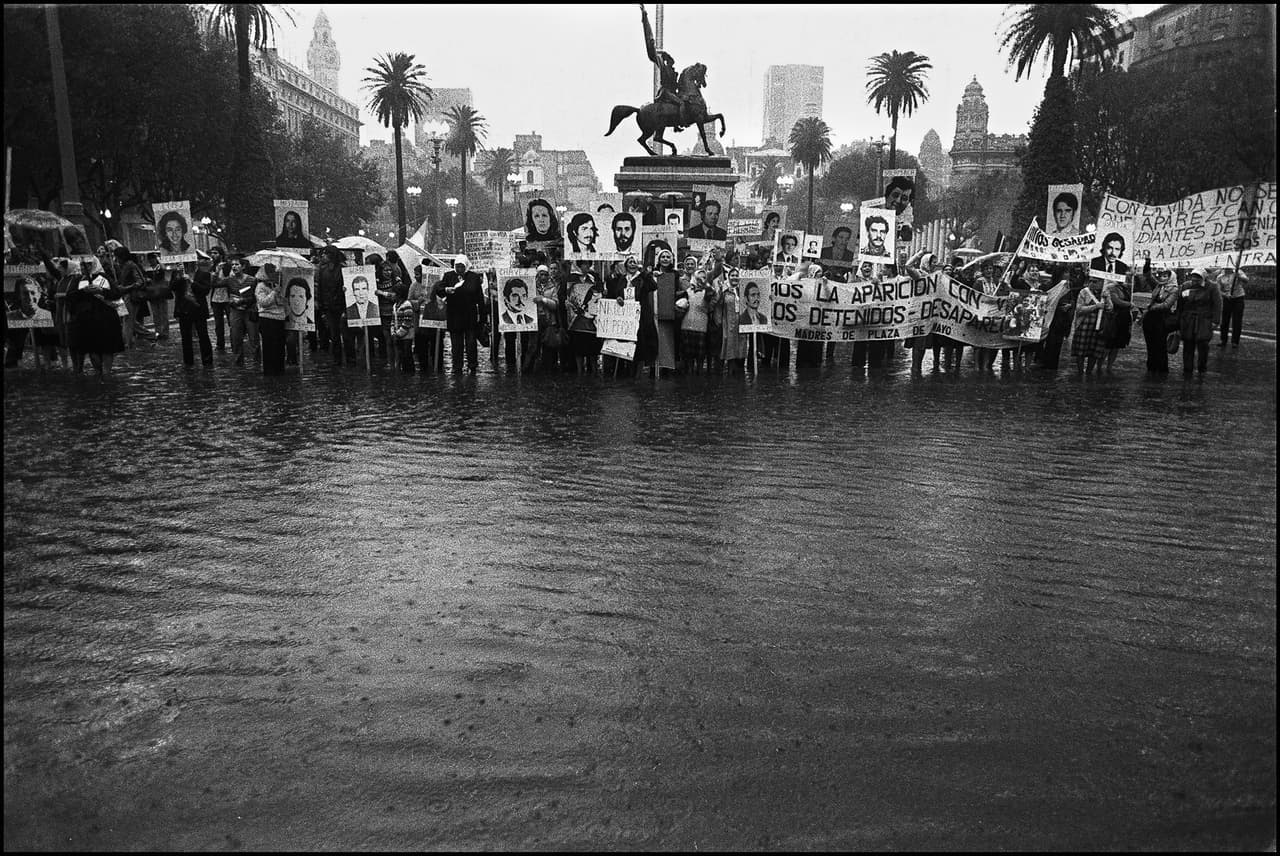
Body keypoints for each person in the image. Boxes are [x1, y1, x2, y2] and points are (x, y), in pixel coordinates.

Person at [64, 257, 124, 377]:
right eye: (82, 265)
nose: (85, 267)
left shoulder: (104, 277)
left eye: (88, 264)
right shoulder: (78, 280)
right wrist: (83, 291)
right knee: (92, 349)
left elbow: (116, 293)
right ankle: (98, 371)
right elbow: (70, 297)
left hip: (106, 319)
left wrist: (101, 290)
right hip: (87, 320)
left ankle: (107, 372)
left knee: (107, 348)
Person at [438, 254, 486, 374]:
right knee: (456, 343)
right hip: (454, 314)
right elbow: (439, 290)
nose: (459, 269)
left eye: (462, 267)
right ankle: (457, 366)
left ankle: (472, 365)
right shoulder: (449, 276)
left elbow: (479, 298)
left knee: (471, 343)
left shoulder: (473, 277)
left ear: (466, 266)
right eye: (457, 267)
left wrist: (483, 317)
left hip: (470, 315)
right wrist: (446, 290)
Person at [641, 3, 685, 124]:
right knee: (681, 104)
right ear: (667, 61)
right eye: (670, 60)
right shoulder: (663, 66)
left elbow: (677, 86)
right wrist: (645, 18)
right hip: (666, 93)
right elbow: (651, 48)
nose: (672, 62)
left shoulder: (673, 71)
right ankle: (679, 124)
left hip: (672, 92)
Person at [1136, 257, 1179, 374]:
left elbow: (1166, 305)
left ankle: (1162, 368)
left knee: (1160, 345)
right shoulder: (1158, 286)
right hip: (1150, 319)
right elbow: (1148, 276)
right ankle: (1151, 366)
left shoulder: (1174, 289)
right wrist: (1147, 263)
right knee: (1150, 344)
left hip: (1162, 319)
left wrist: (1151, 307)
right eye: (1162, 275)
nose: (1162, 278)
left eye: (1166, 276)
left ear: (1171, 277)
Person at [1177, 267, 1222, 376]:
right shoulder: (1186, 286)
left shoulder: (1212, 287)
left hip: (1204, 320)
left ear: (1203, 278)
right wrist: (1179, 320)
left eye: (1198, 279)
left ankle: (1202, 367)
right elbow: (1180, 304)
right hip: (1188, 320)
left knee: (1203, 344)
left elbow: (1217, 304)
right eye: (1193, 278)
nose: (1195, 281)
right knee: (1188, 344)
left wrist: (1215, 321)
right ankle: (1187, 369)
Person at [172, 261, 213, 368]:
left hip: (198, 309)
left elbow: (205, 290)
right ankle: (188, 362)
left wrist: (191, 281)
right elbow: (172, 287)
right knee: (185, 337)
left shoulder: (204, 274)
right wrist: (180, 276)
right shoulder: (176, 274)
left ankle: (207, 361)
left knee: (203, 335)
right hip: (183, 309)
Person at [254, 263, 286, 375]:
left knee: (280, 345)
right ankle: (269, 370)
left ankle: (279, 368)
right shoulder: (260, 287)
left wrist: (279, 293)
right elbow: (264, 303)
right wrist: (274, 292)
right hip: (267, 318)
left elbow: (282, 302)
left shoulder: (277, 285)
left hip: (280, 318)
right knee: (269, 345)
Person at [227, 257, 259, 366]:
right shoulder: (229, 280)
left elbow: (256, 297)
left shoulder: (252, 280)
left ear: (243, 266)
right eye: (232, 265)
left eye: (236, 264)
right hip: (236, 311)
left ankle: (257, 361)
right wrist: (216, 272)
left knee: (253, 337)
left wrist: (243, 300)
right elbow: (215, 284)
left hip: (249, 311)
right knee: (235, 336)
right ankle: (238, 361)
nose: (234, 267)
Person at [1071, 277, 1106, 375]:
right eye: (1090, 281)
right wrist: (1095, 306)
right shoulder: (1084, 292)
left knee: (1094, 351)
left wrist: (1107, 299)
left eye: (1095, 282)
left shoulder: (1105, 294)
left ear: (1101, 283)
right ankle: (1080, 372)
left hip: (1099, 326)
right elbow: (1079, 309)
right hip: (1084, 325)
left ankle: (1089, 372)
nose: (1091, 283)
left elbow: (1110, 309)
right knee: (1080, 351)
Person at [1099, 276, 1133, 372]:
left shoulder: (1125, 288)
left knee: (1117, 345)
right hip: (1115, 318)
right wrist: (1128, 304)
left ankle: (1109, 366)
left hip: (1124, 318)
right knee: (1109, 344)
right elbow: (1116, 301)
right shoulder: (1111, 287)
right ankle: (1100, 366)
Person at [1214, 265, 1248, 348]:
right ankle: (1223, 340)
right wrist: (1225, 294)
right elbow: (1218, 290)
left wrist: (1238, 275)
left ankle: (1235, 341)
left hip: (1238, 298)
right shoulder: (1220, 277)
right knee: (1225, 320)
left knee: (1237, 320)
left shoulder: (1238, 271)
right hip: (1227, 299)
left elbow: (1246, 280)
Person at [209, 246, 231, 351]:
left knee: (232, 322)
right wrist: (216, 272)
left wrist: (220, 282)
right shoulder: (212, 267)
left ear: (221, 255)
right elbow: (211, 283)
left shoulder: (228, 266)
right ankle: (220, 344)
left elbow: (230, 281)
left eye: (215, 253)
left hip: (227, 298)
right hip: (216, 298)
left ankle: (234, 342)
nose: (213, 255)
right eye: (212, 253)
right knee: (218, 323)